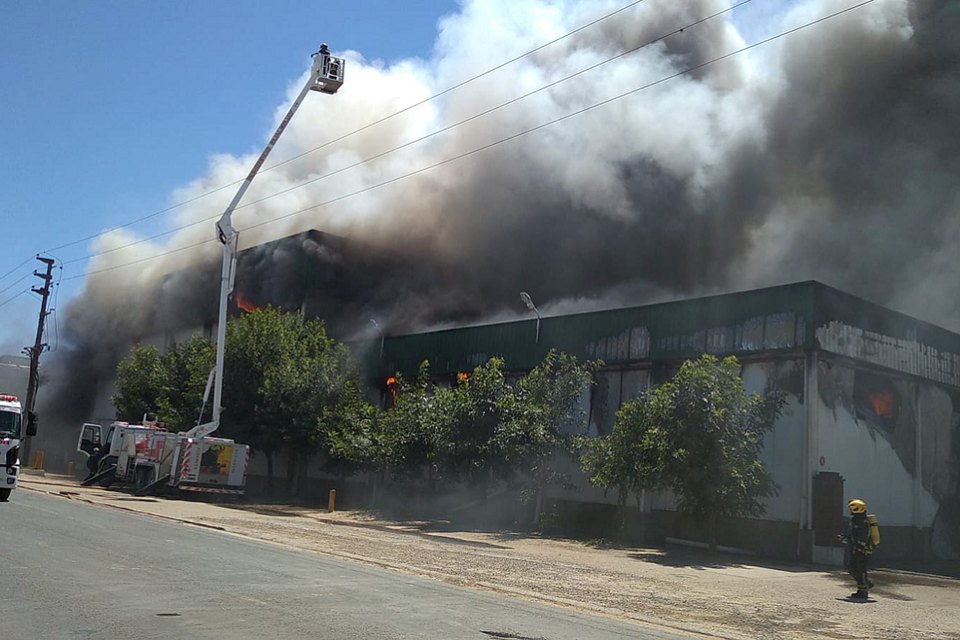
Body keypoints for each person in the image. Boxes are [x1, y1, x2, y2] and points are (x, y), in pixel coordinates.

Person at [839, 498, 874, 599]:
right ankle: (865, 585)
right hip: (855, 548)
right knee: (852, 568)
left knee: (861, 570)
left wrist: (859, 547)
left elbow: (864, 536)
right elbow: (853, 533)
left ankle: (863, 592)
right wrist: (845, 537)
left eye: (852, 508)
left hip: (863, 550)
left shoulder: (863, 521)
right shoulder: (855, 520)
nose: (850, 510)